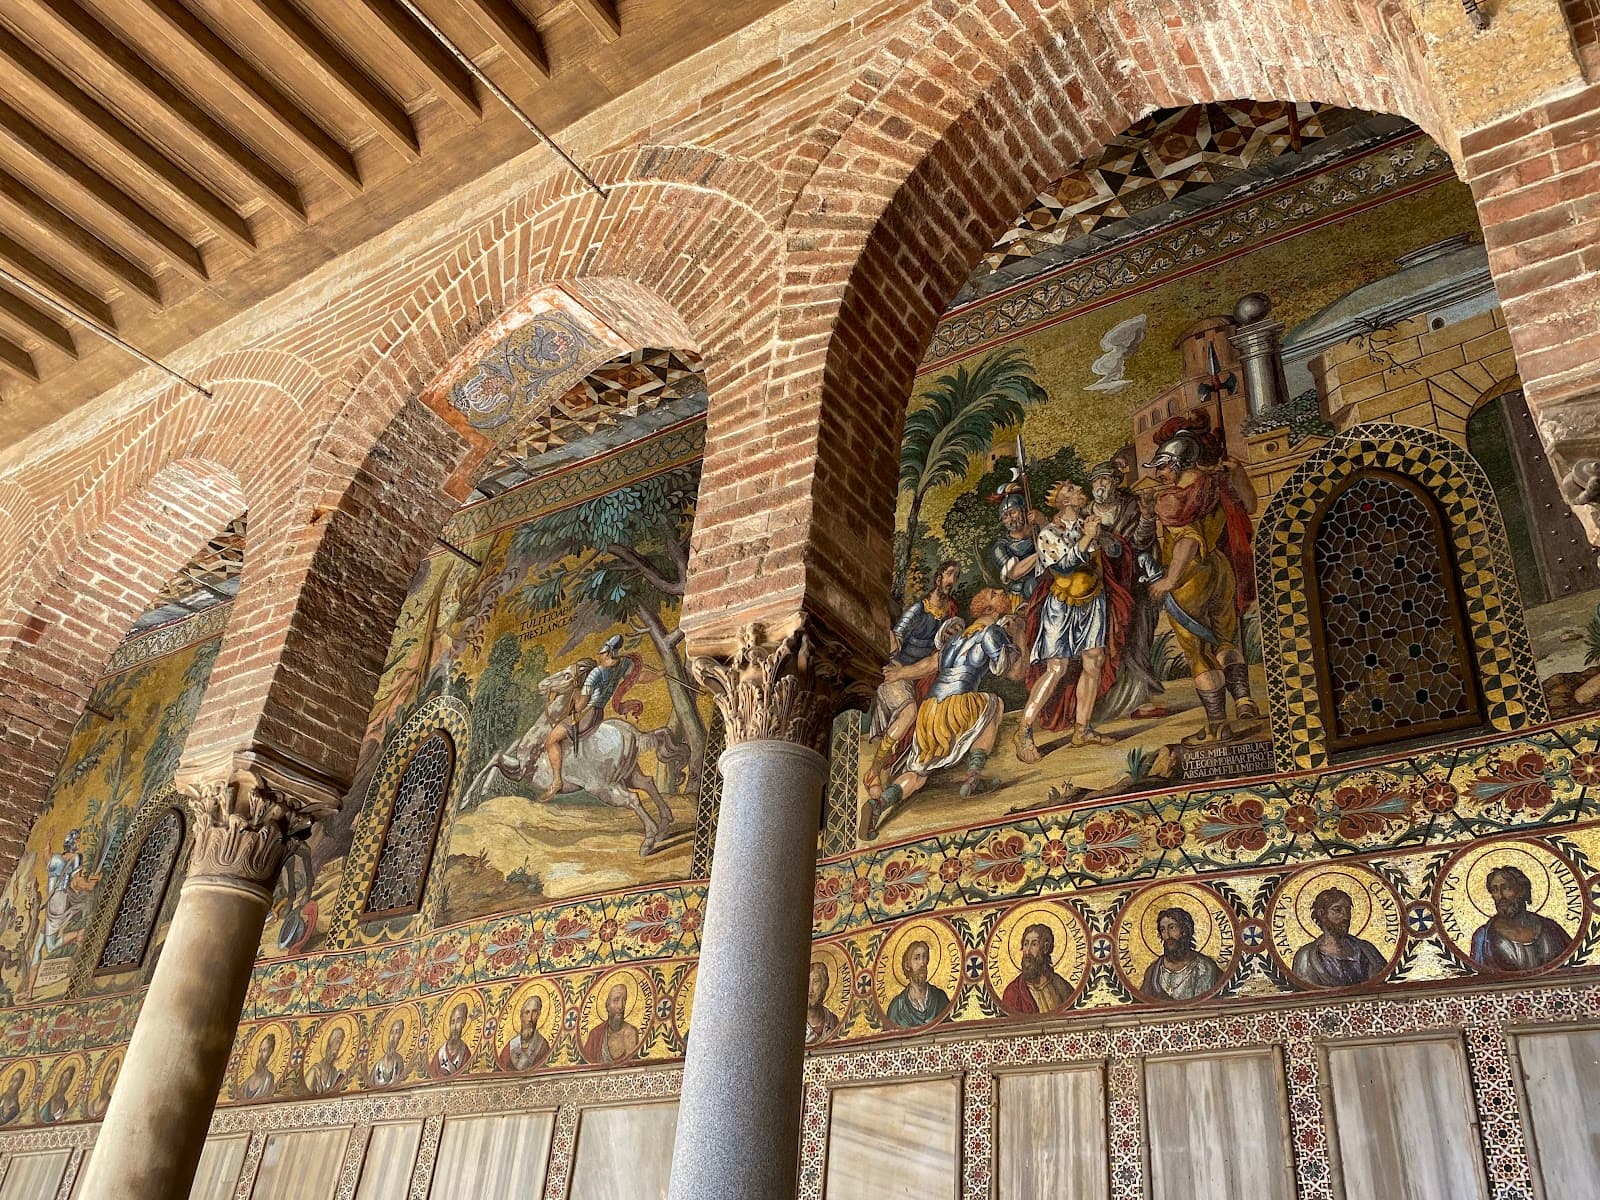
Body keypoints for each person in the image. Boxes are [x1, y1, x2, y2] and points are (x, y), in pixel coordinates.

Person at [861, 588, 1025, 838]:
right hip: (960, 705)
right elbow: (1013, 673)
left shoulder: (956, 638)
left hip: (931, 711)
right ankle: (973, 775)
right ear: (993, 609)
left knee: (917, 774)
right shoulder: (992, 632)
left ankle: (879, 804)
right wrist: (1018, 636)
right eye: (994, 592)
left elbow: (929, 665)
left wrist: (900, 673)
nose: (1000, 591)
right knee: (994, 704)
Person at [1141, 415, 1260, 744]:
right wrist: (1238, 473)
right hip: (1221, 571)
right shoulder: (1218, 484)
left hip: (1190, 578)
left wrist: (1169, 580)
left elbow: (1188, 539)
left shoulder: (1174, 500)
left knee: (1198, 654)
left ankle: (1218, 725)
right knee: (1227, 641)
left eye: (1162, 468)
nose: (1158, 475)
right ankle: (1244, 700)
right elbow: (1249, 504)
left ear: (1177, 463)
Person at [1016, 480, 1133, 760]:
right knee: (1057, 667)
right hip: (1062, 606)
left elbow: (1115, 554)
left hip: (1094, 601)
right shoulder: (1048, 533)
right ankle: (1024, 730)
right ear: (1062, 501)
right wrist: (1087, 538)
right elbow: (1065, 566)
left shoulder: (1090, 523)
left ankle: (1082, 729)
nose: (1079, 490)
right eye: (1070, 490)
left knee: (1094, 661)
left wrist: (1103, 536)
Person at [866, 561, 961, 798]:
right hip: (896, 671)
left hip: (922, 677)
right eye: (949, 575)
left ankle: (919, 765)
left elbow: (940, 656)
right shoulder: (919, 610)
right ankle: (874, 771)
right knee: (909, 712)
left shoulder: (950, 612)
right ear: (938, 578)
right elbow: (896, 638)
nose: (951, 581)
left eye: (955, 577)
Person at [1087, 460, 1165, 717]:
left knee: (1136, 637)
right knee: (1103, 645)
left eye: (1105, 480)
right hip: (1101, 589)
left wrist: (1146, 517)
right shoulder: (1085, 514)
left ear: (1116, 483)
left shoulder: (1131, 507)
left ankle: (1141, 700)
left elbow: (1142, 542)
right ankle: (1102, 702)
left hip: (1133, 584)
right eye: (1096, 481)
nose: (1100, 485)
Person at [540, 635, 637, 801]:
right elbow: (640, 676)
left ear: (609, 653)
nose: (600, 655)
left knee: (551, 740)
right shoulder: (623, 666)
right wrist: (660, 674)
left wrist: (576, 692)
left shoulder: (596, 673)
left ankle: (556, 780)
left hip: (587, 714)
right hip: (599, 713)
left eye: (602, 652)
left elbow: (579, 706)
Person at [29, 830, 97, 996]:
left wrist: (48, 839)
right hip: (57, 901)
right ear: (73, 843)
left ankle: (77, 934)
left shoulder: (56, 858)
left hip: (55, 901)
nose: (80, 844)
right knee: (39, 947)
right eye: (78, 841)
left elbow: (46, 855)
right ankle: (29, 991)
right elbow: (77, 882)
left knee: (46, 946)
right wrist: (90, 884)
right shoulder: (75, 858)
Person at [1471, 865, 1572, 972]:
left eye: (1506, 888)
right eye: (1494, 890)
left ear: (1522, 890)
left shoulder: (1551, 929)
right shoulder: (1483, 938)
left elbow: (1574, 962)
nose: (1500, 896)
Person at [1290, 887, 1387, 988]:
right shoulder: (1306, 956)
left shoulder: (1367, 950)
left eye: (1348, 910)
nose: (1346, 917)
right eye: (1337, 910)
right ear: (1322, 914)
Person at [1139, 907, 1222, 1002]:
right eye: (1162, 930)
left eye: (1172, 928)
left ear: (1185, 930)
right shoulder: (1154, 970)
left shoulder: (1205, 967)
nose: (1167, 935)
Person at [1000, 922, 1074, 1014]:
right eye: (1026, 944)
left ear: (1045, 948)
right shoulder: (1013, 992)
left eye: (1034, 944)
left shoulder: (1061, 986)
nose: (1027, 952)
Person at [991, 483, 1043, 601]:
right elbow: (1014, 573)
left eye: (1013, 512)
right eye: (1005, 517)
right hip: (1023, 596)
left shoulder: (1038, 528)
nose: (1010, 519)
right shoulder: (1001, 547)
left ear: (1024, 511)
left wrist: (1043, 522)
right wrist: (1042, 552)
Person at [885, 939, 950, 1028]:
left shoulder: (939, 998)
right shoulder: (897, 1007)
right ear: (907, 965)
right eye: (916, 958)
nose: (922, 963)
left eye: (924, 957)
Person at [582, 982, 642, 1064]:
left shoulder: (631, 1032)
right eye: (616, 1000)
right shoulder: (595, 1034)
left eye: (624, 1000)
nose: (621, 1006)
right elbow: (586, 1064)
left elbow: (633, 1066)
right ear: (608, 1005)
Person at [498, 994, 551, 1071]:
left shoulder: (543, 1046)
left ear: (539, 1015)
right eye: (527, 1012)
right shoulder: (510, 1047)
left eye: (534, 1012)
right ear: (521, 1016)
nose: (530, 1018)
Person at [432, 1002, 474, 1077]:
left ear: (463, 1023)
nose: (454, 1027)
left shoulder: (465, 1053)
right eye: (452, 1022)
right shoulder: (440, 1054)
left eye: (458, 1021)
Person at [805, 961, 842, 1045]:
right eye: (807, 981)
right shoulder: (794, 1022)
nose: (810, 990)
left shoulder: (832, 1021)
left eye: (816, 981)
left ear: (824, 986)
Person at [304, 1025, 348, 1095]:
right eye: (336, 1042)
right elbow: (305, 1094)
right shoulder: (314, 1072)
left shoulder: (334, 1073)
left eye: (340, 1043)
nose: (338, 1047)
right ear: (329, 1044)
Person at [369, 1018, 409, 1088]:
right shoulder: (378, 1064)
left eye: (397, 1032)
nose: (393, 1036)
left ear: (400, 1036)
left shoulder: (399, 1060)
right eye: (392, 1031)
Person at [240, 1033, 278, 1100]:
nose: (260, 1055)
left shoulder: (269, 1078)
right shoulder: (246, 1082)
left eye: (264, 1050)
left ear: (270, 1052)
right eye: (260, 1050)